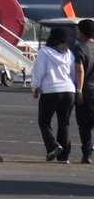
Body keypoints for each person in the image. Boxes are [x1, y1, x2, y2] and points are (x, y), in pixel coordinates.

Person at [33, 25, 79, 161]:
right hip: (69, 90)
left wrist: (35, 87)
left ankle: (52, 145)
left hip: (51, 90)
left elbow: (38, 71)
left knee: (44, 121)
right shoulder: (69, 54)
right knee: (64, 123)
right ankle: (64, 157)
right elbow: (72, 73)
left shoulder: (45, 52)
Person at [75, 20, 94, 163]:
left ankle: (87, 153)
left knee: (84, 126)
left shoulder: (80, 48)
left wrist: (79, 91)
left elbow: (80, 70)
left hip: (86, 91)